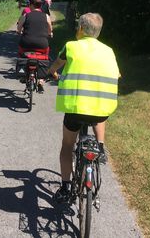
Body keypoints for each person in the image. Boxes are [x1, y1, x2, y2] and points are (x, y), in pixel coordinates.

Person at [47, 13, 120, 204]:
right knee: (99, 113)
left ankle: (65, 187)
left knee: (67, 146)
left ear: (80, 29)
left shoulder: (71, 46)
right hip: (101, 107)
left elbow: (56, 65)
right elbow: (117, 74)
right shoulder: (109, 51)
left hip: (75, 107)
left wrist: (51, 72)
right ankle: (100, 148)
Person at [17, 0, 53, 92]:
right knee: (45, 54)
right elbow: (50, 29)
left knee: (21, 52)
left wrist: (19, 32)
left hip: (26, 43)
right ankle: (41, 80)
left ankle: (24, 75)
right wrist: (49, 34)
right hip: (42, 44)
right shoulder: (46, 16)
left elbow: (19, 28)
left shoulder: (26, 15)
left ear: (31, 5)